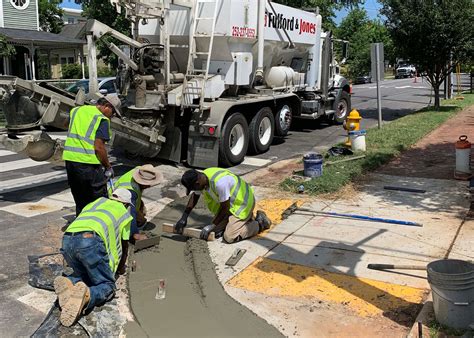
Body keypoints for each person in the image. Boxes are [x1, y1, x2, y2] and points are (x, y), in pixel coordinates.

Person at [54, 188, 133, 327]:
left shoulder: (96, 203)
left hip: (67, 239)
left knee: (86, 277)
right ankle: (87, 296)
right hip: (90, 241)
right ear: (126, 204)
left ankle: (70, 283)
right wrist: (120, 268)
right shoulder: (124, 213)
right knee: (107, 285)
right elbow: (124, 244)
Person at [62, 95, 122, 215]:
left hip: (70, 162)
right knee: (98, 201)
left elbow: (65, 124)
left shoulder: (77, 110)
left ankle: (81, 226)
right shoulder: (102, 119)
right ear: (107, 106)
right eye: (113, 112)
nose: (112, 116)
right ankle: (96, 228)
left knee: (80, 199)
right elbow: (99, 147)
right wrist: (108, 166)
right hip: (88, 165)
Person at [177, 168, 271, 242]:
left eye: (194, 188)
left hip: (242, 205)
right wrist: (184, 217)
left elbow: (225, 208)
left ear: (197, 183)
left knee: (229, 237)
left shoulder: (220, 183)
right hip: (230, 205)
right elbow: (194, 197)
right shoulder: (202, 177)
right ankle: (242, 221)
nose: (195, 190)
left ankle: (260, 223)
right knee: (213, 232)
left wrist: (212, 225)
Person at [110, 164, 163, 241]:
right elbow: (130, 213)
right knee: (136, 219)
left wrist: (140, 205)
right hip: (115, 204)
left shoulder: (139, 170)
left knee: (141, 213)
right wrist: (135, 234)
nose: (149, 186)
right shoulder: (131, 192)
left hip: (123, 198)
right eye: (147, 184)